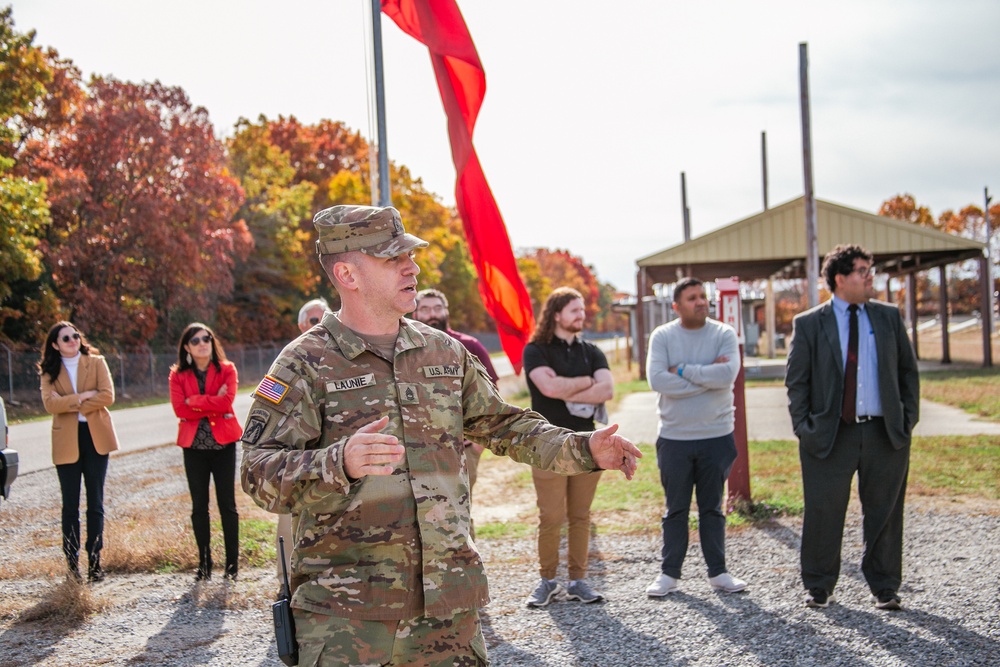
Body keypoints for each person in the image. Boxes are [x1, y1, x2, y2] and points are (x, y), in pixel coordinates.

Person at [240, 204, 641, 666]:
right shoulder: (303, 364)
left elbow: (506, 425)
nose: (411, 267)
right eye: (393, 259)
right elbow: (256, 472)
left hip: (449, 609)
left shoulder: (442, 351)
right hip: (349, 620)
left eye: (409, 255)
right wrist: (339, 462)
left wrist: (583, 447)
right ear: (348, 273)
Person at [785, 244, 919, 610]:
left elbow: (908, 372)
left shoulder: (888, 317)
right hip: (829, 434)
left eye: (870, 269)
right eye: (862, 270)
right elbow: (796, 382)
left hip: (884, 433)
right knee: (824, 510)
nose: (869, 276)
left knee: (885, 512)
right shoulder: (810, 323)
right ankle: (818, 586)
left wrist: (907, 421)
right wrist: (804, 427)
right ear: (840, 279)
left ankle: (885, 587)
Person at [643, 277, 747, 597]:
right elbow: (657, 380)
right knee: (675, 509)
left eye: (703, 296)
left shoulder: (723, 333)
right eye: (692, 298)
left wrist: (683, 370)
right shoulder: (662, 337)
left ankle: (719, 573)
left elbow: (727, 374)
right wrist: (705, 375)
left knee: (712, 508)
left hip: (716, 436)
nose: (701, 301)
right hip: (675, 438)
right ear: (676, 306)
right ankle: (669, 574)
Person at [521, 286, 613, 607]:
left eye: (583, 309)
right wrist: (587, 383)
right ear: (556, 314)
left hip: (589, 443)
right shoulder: (536, 350)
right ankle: (547, 581)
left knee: (580, 515)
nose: (581, 315)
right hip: (547, 442)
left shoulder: (592, 351)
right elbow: (547, 386)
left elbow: (608, 390)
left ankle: (579, 581)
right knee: (550, 516)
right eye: (574, 309)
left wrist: (565, 389)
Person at [38, 321, 119, 582]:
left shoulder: (96, 362)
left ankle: (95, 561)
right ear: (55, 344)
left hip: (95, 438)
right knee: (69, 505)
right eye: (66, 338)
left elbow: (107, 396)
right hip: (66, 441)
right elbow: (50, 404)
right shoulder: (49, 371)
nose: (73, 340)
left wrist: (74, 404)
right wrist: (83, 397)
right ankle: (72, 565)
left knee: (95, 502)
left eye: (75, 335)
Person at [169, 323, 242, 581]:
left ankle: (232, 566)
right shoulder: (178, 375)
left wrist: (196, 402)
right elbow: (180, 409)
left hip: (224, 446)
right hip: (194, 448)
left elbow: (227, 401)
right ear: (187, 347)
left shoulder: (227, 369)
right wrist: (212, 402)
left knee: (228, 506)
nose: (202, 344)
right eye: (196, 340)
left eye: (206, 339)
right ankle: (204, 564)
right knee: (199, 506)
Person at [413, 288, 500, 496]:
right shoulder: (406, 348)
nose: (432, 314)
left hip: (463, 448)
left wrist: (477, 444)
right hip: (419, 451)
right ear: (415, 314)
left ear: (447, 312)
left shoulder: (469, 345)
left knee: (461, 512)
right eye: (425, 309)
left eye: (437, 308)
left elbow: (491, 394)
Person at [273, 298, 334, 586]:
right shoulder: (286, 361)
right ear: (301, 325)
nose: (321, 324)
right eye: (314, 320)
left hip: (334, 468)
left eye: (326, 318)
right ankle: (288, 586)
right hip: (298, 466)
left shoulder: (342, 358)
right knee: (290, 529)